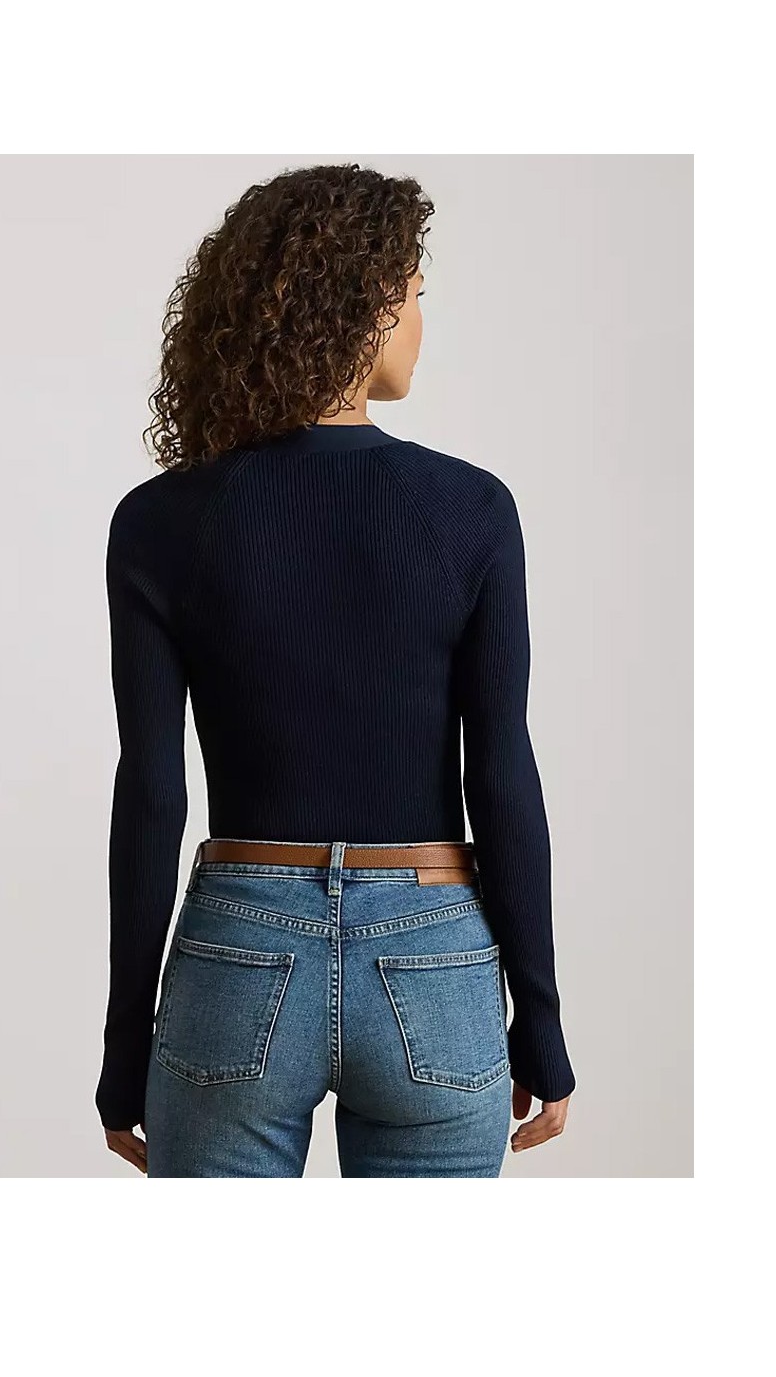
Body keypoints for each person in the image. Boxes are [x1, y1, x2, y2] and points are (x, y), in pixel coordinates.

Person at [96, 162, 575, 1177]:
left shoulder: (159, 522)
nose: (418, 323)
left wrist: (123, 1045)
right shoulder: (470, 510)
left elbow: (150, 793)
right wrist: (539, 1020)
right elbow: (500, 773)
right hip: (432, 953)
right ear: (362, 303)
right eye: (413, 294)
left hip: (237, 952)